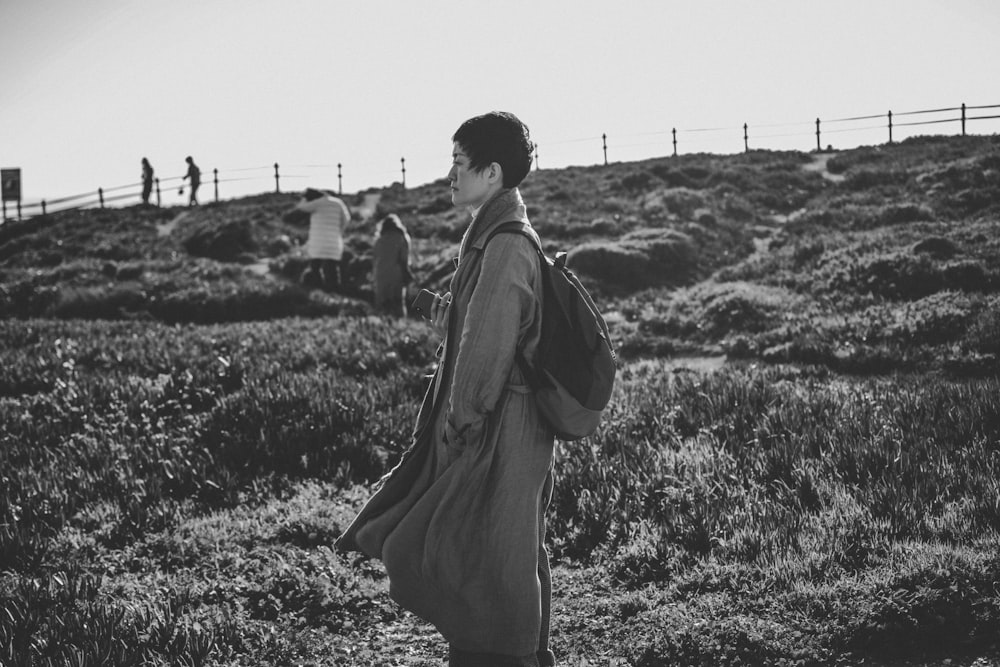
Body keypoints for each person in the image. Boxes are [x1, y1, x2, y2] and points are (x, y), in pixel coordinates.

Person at [336, 111, 556, 667]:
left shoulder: (504, 243)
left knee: (496, 547)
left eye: (460, 163)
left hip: (500, 424)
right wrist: (440, 309)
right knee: (504, 543)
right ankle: (516, 654)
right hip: (502, 420)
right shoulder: (493, 236)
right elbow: (479, 321)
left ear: (492, 172)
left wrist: (461, 426)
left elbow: (485, 349)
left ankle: (502, 657)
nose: (451, 174)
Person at [286, 187, 351, 291]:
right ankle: (334, 294)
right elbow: (347, 219)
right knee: (332, 269)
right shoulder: (338, 202)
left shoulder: (317, 203)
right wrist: (339, 231)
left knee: (315, 267)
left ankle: (319, 291)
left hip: (318, 243)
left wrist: (304, 199)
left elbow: (301, 207)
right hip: (334, 243)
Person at [372, 213, 412, 316]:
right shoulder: (402, 237)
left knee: (382, 304)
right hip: (396, 274)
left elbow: (375, 258)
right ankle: (401, 326)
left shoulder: (378, 240)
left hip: (380, 275)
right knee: (398, 303)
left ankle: (383, 326)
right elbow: (404, 259)